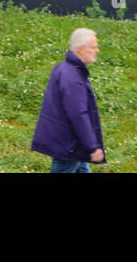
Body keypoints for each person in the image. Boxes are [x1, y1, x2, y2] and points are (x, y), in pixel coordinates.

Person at [30, 28, 106, 172]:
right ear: (82, 50)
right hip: (68, 147)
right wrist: (92, 147)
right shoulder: (72, 77)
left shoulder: (65, 69)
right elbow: (78, 114)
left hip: (70, 144)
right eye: (94, 47)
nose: (97, 50)